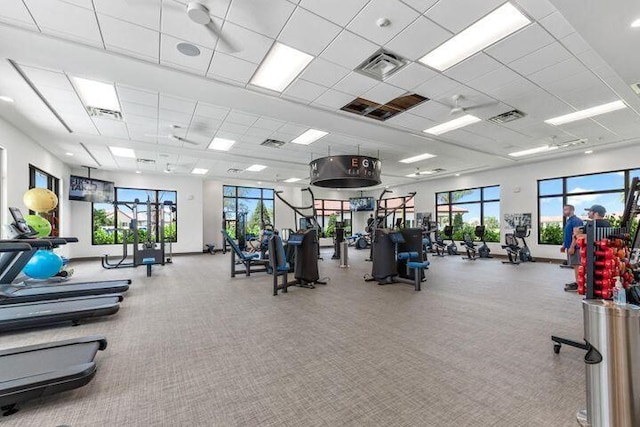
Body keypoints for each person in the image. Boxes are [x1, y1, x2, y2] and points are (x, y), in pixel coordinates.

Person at [561, 204, 584, 292]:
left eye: (565, 209)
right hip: (570, 246)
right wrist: (564, 245)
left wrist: (572, 247)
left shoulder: (576, 221)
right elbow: (568, 234)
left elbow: (576, 236)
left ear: (572, 210)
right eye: (564, 209)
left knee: (577, 266)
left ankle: (579, 285)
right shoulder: (569, 220)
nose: (564, 211)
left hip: (576, 248)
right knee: (575, 266)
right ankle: (578, 282)